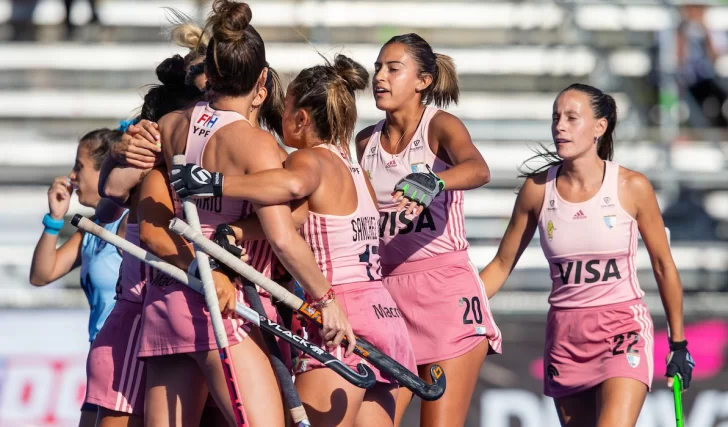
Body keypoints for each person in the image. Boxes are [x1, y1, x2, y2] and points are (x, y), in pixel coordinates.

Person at [117, 2, 352, 424]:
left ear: (211, 69)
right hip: (221, 306)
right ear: (262, 81)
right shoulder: (256, 145)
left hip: (166, 299)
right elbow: (281, 238)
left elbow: (150, 220)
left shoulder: (171, 124)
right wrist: (327, 299)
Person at [171, 53, 417, 427]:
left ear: (301, 118)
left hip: (341, 317)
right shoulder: (354, 170)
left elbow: (291, 188)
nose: (278, 118)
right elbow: (292, 216)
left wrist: (214, 183)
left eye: (284, 109)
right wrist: (238, 230)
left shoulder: (308, 161)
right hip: (384, 317)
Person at [480, 83, 695, 426]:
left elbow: (663, 265)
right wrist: (460, 308)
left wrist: (678, 343)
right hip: (566, 337)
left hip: (622, 330)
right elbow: (502, 264)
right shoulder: (537, 190)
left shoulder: (632, 186)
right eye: (555, 118)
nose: (559, 126)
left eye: (571, 118)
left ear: (600, 126)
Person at [355, 33, 501, 427]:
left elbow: (479, 169)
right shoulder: (365, 140)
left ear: (423, 81)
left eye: (393, 69)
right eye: (377, 69)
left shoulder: (440, 125)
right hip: (386, 299)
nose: (380, 77)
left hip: (445, 298)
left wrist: (434, 181)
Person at [84, 53, 204, 427]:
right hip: (139, 320)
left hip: (177, 317)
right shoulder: (151, 154)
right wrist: (118, 153)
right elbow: (110, 196)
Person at [29, 128, 128, 427]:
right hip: (101, 357)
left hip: (124, 357)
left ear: (105, 171)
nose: (72, 176)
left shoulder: (127, 223)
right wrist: (54, 219)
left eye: (79, 166)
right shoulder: (93, 227)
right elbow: (42, 274)